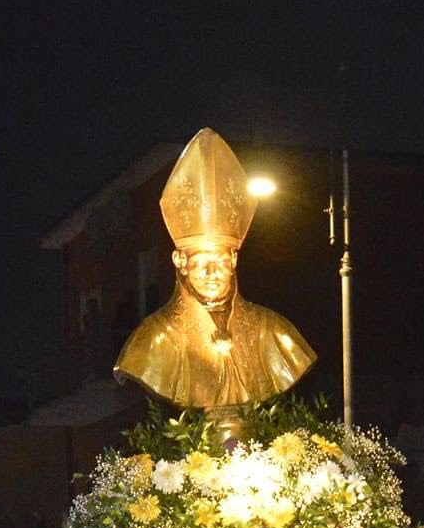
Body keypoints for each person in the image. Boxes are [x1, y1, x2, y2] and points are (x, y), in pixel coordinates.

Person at [113, 127, 316, 409]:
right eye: (200, 263)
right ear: (180, 262)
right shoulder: (153, 339)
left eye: (220, 261)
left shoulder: (273, 330)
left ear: (234, 260)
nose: (212, 273)